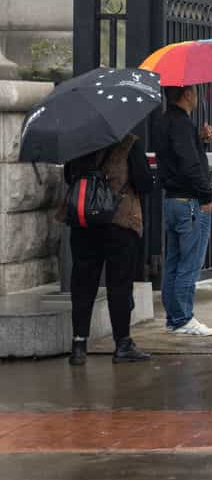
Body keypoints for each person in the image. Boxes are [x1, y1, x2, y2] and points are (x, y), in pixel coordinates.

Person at [58, 133, 155, 365]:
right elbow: (143, 182)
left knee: (83, 282)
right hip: (119, 222)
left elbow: (69, 177)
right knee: (119, 284)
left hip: (84, 224)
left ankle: (79, 345)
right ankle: (122, 344)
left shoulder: (78, 144)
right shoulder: (129, 143)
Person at [155, 84, 212, 337]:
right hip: (190, 203)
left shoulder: (164, 121)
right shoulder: (181, 124)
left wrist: (200, 140)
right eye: (195, 92)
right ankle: (183, 319)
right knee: (190, 264)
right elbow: (189, 163)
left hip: (172, 201)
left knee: (173, 263)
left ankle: (174, 318)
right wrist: (206, 194)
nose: (197, 97)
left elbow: (177, 155)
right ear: (187, 94)